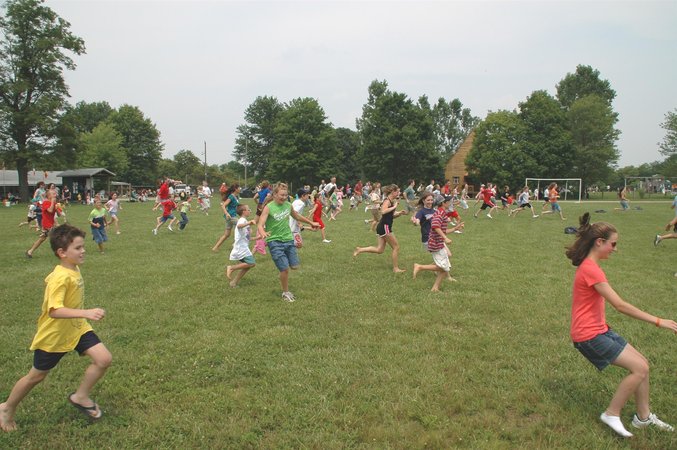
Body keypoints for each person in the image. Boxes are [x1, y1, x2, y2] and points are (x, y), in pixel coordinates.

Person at [566, 213, 677, 438]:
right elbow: (620, 305)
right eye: (613, 244)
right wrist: (658, 321)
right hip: (588, 335)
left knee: (643, 365)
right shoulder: (590, 269)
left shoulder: (591, 266)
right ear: (600, 242)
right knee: (640, 369)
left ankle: (643, 418)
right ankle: (611, 413)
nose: (615, 249)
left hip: (600, 330)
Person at [0, 224, 112, 432]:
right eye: (77, 248)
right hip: (55, 336)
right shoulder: (60, 278)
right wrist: (86, 312)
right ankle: (6, 408)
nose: (83, 251)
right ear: (62, 253)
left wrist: (83, 317)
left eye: (83, 246)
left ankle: (81, 396)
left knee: (103, 359)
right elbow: (54, 310)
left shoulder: (73, 268)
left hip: (77, 329)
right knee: (36, 376)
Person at [257, 183, 319, 302]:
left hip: (288, 239)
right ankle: (285, 292)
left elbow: (297, 216)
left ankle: (283, 273)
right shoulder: (269, 207)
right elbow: (260, 224)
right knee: (285, 269)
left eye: (286, 195)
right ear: (275, 194)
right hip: (274, 241)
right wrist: (262, 232)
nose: (284, 197)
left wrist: (311, 223)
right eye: (282, 195)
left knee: (294, 266)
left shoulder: (288, 205)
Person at [353, 184, 408, 273]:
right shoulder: (387, 201)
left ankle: (360, 249)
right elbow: (383, 211)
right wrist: (394, 207)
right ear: (392, 192)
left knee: (379, 249)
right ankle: (395, 268)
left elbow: (391, 215)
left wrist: (399, 213)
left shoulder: (391, 201)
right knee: (396, 247)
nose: (399, 193)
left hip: (383, 226)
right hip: (385, 227)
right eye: (397, 191)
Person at [413, 195, 457, 291]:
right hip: (430, 239)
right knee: (444, 264)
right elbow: (418, 221)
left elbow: (440, 226)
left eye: (431, 200)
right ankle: (421, 267)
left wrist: (454, 228)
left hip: (437, 238)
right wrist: (416, 222)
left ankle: (438, 280)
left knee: (446, 259)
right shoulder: (422, 212)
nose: (430, 202)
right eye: (428, 200)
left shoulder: (436, 211)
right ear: (423, 201)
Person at [226, 204, 257, 288]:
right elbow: (239, 226)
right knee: (251, 263)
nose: (250, 211)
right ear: (243, 212)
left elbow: (248, 238)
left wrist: (259, 237)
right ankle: (231, 268)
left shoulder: (244, 221)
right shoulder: (242, 220)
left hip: (243, 247)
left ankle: (233, 282)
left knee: (248, 265)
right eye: (248, 209)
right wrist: (249, 222)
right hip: (240, 248)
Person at [26, 188, 57, 258]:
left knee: (42, 238)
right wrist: (53, 203)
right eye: (53, 194)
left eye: (55, 193)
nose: (55, 195)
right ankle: (64, 252)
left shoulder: (53, 203)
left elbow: (58, 214)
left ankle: (30, 251)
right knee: (58, 237)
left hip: (50, 223)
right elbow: (50, 210)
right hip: (47, 224)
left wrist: (57, 207)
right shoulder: (46, 203)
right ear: (49, 196)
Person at [212, 184, 240, 252]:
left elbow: (236, 206)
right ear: (235, 189)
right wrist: (227, 213)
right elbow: (223, 205)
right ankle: (235, 244)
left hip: (231, 217)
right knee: (244, 227)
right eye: (239, 188)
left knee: (227, 234)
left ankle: (215, 248)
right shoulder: (231, 196)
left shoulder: (235, 196)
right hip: (231, 216)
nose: (240, 189)